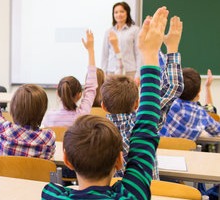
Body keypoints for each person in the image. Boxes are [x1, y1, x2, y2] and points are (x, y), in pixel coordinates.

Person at [42, 6, 167, 199]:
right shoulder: (133, 195)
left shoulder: (52, 196)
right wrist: (150, 55)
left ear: (66, 159)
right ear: (120, 160)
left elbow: (145, 133)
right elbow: (144, 134)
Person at [102, 16, 184, 179]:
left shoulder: (95, 133)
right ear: (137, 103)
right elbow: (173, 87)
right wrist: (172, 47)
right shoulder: (145, 123)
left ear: (103, 105)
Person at [0, 42, 55, 159]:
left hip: (0, 177)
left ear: (13, 109)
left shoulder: (3, 129)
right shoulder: (48, 138)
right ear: (42, 111)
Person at [43, 30, 98, 127]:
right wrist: (91, 50)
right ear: (79, 95)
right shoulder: (82, 116)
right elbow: (91, 87)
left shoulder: (49, 117)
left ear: (58, 93)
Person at [160, 67, 220, 141]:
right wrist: (207, 87)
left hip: (160, 150)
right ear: (199, 91)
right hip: (185, 152)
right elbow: (217, 130)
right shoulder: (201, 114)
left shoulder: (167, 104)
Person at [101, 1, 141, 78]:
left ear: (127, 13)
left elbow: (138, 53)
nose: (119, 14)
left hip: (129, 71)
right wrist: (103, 72)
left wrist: (138, 74)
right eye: (116, 12)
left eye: (122, 11)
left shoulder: (135, 30)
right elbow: (105, 54)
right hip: (111, 71)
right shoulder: (109, 31)